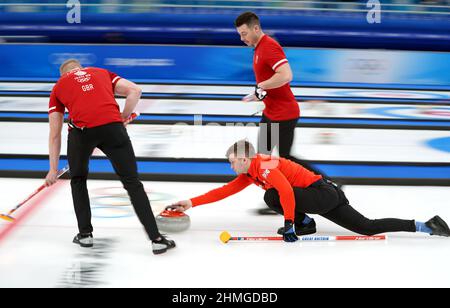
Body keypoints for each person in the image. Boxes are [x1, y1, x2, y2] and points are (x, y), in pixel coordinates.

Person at [168, 140, 450, 242]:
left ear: (243, 158)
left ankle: (305, 223)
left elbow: (286, 194)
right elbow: (224, 192)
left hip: (322, 193)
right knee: (367, 227)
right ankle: (425, 225)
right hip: (326, 193)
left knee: (272, 196)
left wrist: (290, 224)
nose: (231, 168)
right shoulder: (250, 172)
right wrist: (190, 203)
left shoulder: (263, 165)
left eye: (232, 162)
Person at [45, 59, 175, 255]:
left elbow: (54, 133)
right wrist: (124, 116)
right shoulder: (101, 72)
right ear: (81, 68)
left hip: (81, 133)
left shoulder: (58, 87)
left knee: (78, 180)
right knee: (132, 183)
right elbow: (135, 91)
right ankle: (157, 240)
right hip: (113, 128)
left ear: (63, 75)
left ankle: (85, 235)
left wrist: (53, 170)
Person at [235, 11, 333, 221]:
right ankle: (280, 194)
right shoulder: (259, 48)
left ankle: (323, 183)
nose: (242, 38)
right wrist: (258, 94)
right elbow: (271, 81)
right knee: (267, 157)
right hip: (273, 112)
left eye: (244, 34)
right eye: (239, 34)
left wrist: (261, 87)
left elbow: (286, 75)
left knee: (278, 159)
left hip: (284, 114)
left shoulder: (269, 46)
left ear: (255, 28)